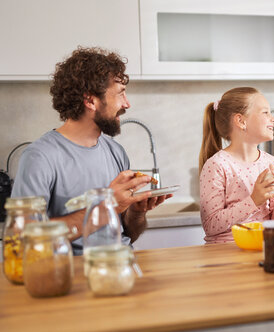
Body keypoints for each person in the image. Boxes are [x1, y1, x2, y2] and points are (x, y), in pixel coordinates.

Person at [12, 47, 171, 255]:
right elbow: (23, 238)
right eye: (120, 94)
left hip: (122, 264)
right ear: (90, 101)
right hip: (74, 273)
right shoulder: (39, 157)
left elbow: (127, 234)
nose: (127, 104)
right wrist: (108, 208)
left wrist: (135, 212)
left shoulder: (115, 151)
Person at [199, 87, 274, 244]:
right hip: (225, 255)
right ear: (241, 121)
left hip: (264, 249)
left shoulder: (272, 163)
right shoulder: (217, 165)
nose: (273, 118)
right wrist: (254, 200)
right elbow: (211, 225)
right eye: (265, 112)